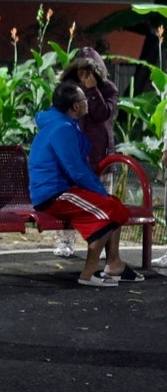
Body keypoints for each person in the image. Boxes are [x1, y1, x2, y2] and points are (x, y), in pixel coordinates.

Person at [29, 81, 144, 287]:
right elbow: (77, 170)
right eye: (85, 100)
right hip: (53, 195)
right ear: (75, 106)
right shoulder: (61, 129)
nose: (88, 103)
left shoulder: (64, 125)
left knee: (114, 204)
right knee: (108, 208)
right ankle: (89, 272)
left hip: (61, 191)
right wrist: (99, 192)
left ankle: (114, 264)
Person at [53, 49, 118, 258]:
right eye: (81, 72)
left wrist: (92, 90)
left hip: (101, 156)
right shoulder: (66, 90)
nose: (84, 76)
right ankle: (65, 241)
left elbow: (102, 114)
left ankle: (97, 243)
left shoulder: (108, 89)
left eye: (89, 72)